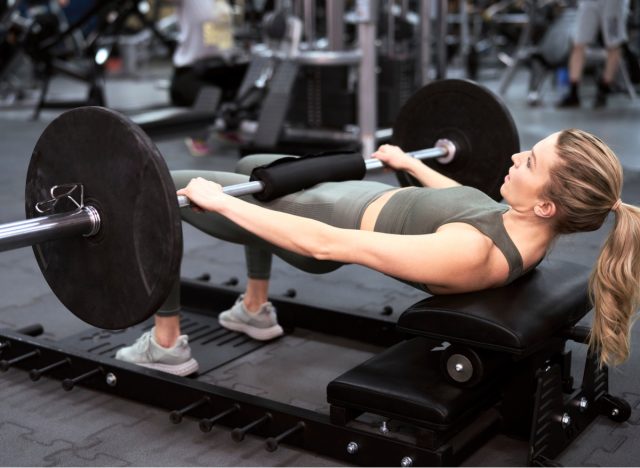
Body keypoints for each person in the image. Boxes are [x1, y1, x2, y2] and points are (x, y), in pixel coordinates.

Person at [116, 129, 640, 376]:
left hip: (314, 217)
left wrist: (218, 203)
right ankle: (254, 310)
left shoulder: (473, 254)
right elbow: (462, 202)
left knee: (161, 192)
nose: (513, 156)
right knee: (256, 157)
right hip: (347, 197)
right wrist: (408, 164)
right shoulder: (524, 227)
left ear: (547, 206)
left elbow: (326, 242)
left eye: (528, 162)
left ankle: (167, 344)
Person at [169, 0, 247, 156]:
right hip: (189, 71)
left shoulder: (222, 3)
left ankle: (226, 126)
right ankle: (197, 135)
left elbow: (224, 39)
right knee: (210, 93)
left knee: (248, 85)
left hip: (220, 67)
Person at [558, 0, 630, 108]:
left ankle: (604, 88)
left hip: (614, 3)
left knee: (614, 44)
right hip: (589, 2)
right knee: (578, 43)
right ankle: (573, 92)